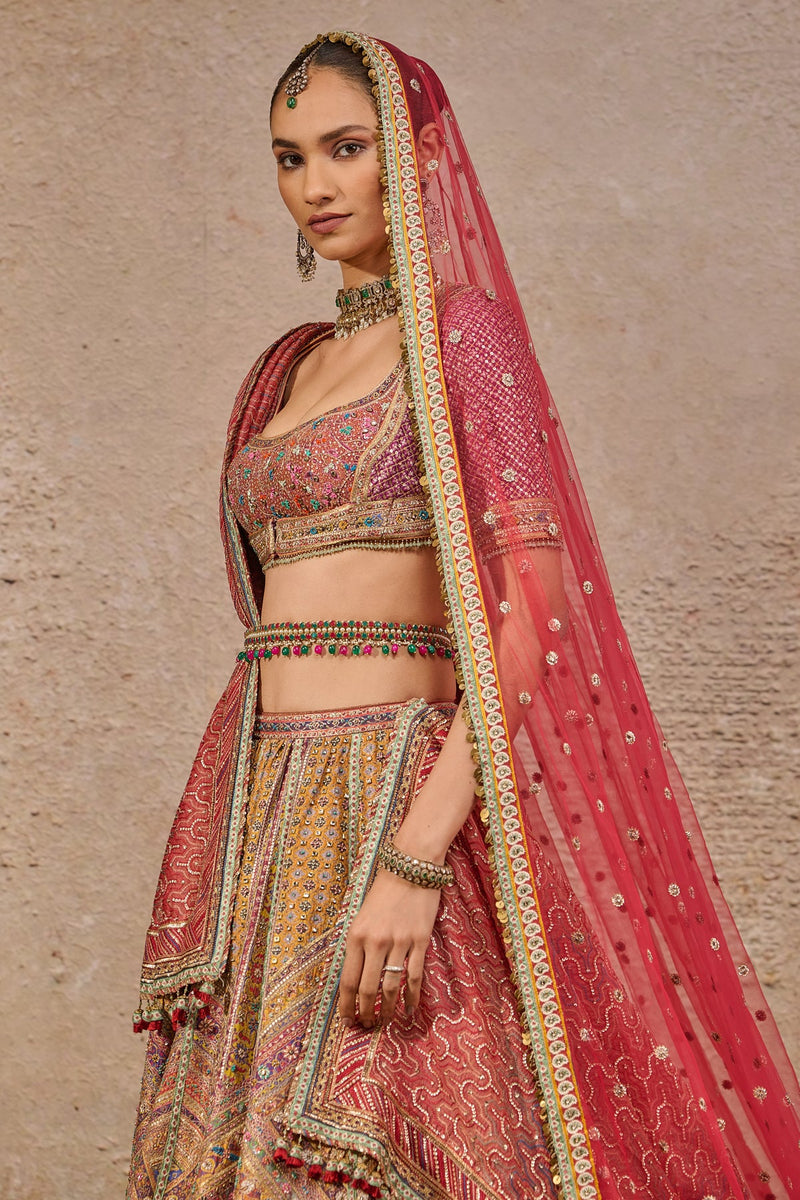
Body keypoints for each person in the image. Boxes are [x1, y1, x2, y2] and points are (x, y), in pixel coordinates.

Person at [127, 31, 800, 1200]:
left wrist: (412, 856)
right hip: (259, 806)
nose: (316, 183)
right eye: (290, 157)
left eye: (346, 147)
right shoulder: (284, 366)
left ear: (416, 154)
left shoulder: (462, 337)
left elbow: (531, 609)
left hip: (395, 791)